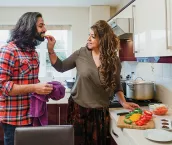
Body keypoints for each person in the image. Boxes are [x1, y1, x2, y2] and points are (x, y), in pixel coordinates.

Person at [46, 20, 139, 145]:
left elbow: (117, 86)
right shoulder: (81, 53)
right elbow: (61, 66)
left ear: (103, 39)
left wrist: (123, 102)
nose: (89, 39)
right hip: (78, 110)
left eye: (93, 36)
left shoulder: (114, 60)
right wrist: (51, 50)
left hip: (99, 113)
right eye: (89, 35)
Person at [0, 12, 54, 145]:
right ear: (29, 27)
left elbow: (30, 82)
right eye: (41, 26)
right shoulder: (8, 51)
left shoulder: (33, 53)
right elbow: (4, 87)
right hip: (14, 121)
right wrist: (35, 87)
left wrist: (43, 88)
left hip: (32, 117)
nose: (45, 29)